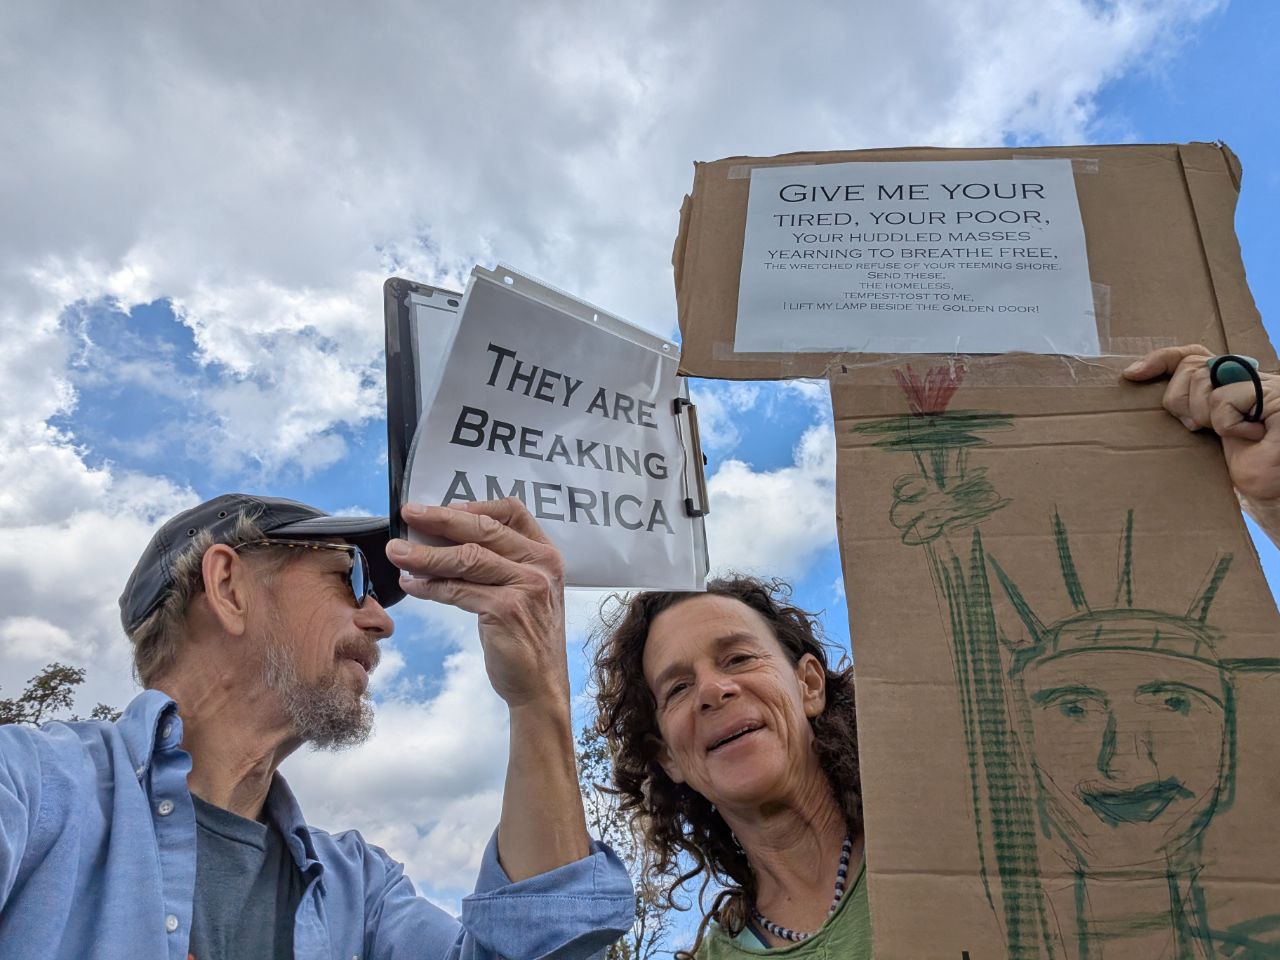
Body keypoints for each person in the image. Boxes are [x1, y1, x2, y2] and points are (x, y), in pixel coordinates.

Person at [0, 493, 633, 960]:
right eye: (349, 576)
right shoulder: (28, 788)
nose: (381, 621)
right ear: (228, 587)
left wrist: (537, 698)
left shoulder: (360, 890)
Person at [592, 575, 866, 958]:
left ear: (809, 685)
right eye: (678, 688)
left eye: (738, 658)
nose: (711, 691)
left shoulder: (946, 835)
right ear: (668, 757)